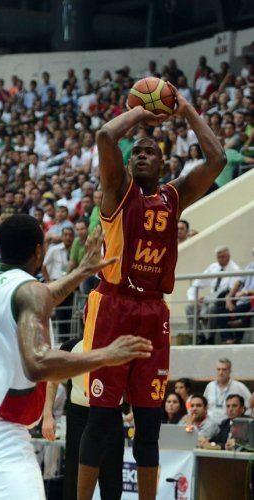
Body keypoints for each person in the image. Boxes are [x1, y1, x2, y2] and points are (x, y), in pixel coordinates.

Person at [0, 214, 152, 500]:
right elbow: (38, 364)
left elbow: (40, 295)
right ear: (38, 251)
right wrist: (107, 355)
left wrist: (83, 271)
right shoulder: (28, 291)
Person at [77, 84, 226, 500]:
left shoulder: (173, 197)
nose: (141, 155)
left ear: (162, 164)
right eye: (136, 152)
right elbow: (106, 137)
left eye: (149, 152)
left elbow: (217, 159)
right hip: (112, 304)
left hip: (152, 313)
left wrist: (188, 110)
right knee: (101, 422)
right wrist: (144, 113)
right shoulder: (116, 192)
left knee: (147, 426)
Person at [42, 338, 124, 500]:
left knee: (112, 479)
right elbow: (53, 381)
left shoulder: (117, 344)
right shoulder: (70, 346)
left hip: (111, 415)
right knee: (74, 476)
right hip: (79, 417)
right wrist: (47, 416)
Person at [185, 246, 240, 344]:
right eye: (218, 257)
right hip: (209, 299)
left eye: (222, 257)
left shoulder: (235, 269)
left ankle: (209, 337)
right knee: (189, 307)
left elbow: (231, 291)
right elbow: (196, 284)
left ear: (228, 256)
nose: (220, 259)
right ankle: (198, 336)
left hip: (221, 302)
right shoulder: (213, 267)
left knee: (212, 308)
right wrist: (193, 299)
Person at [217, 259, 254, 344]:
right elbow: (239, 281)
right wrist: (229, 297)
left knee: (239, 311)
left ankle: (238, 339)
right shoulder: (250, 265)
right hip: (242, 300)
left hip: (251, 301)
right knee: (221, 311)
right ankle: (228, 340)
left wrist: (247, 292)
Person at [203, 358, 251, 423]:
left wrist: (243, 421)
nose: (221, 372)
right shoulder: (210, 386)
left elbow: (250, 406)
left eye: (224, 369)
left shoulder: (239, 387)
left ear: (229, 371)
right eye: (218, 369)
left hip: (230, 426)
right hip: (210, 426)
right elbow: (204, 406)